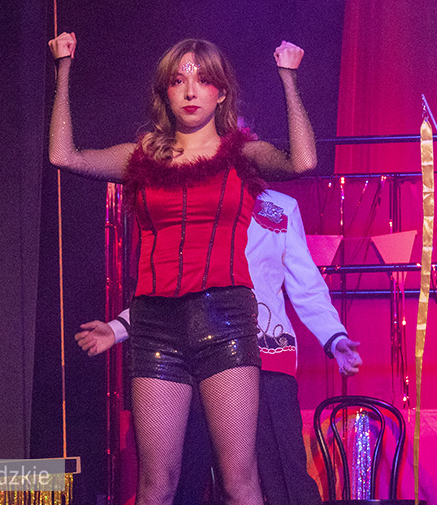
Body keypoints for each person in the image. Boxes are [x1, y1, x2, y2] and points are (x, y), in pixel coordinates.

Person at [48, 32, 317, 505]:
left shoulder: (240, 154)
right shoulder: (141, 159)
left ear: (221, 92)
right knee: (155, 485)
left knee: (239, 480)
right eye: (178, 81)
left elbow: (303, 161)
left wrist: (288, 79)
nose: (191, 91)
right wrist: (63, 69)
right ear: (165, 93)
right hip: (156, 324)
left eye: (203, 80)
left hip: (226, 319)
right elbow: (63, 156)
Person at [77, 188, 363, 505]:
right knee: (186, 479)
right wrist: (118, 327)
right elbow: (176, 284)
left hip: (267, 354)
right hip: (201, 355)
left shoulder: (280, 207)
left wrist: (334, 337)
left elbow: (307, 284)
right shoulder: (194, 198)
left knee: (284, 477)